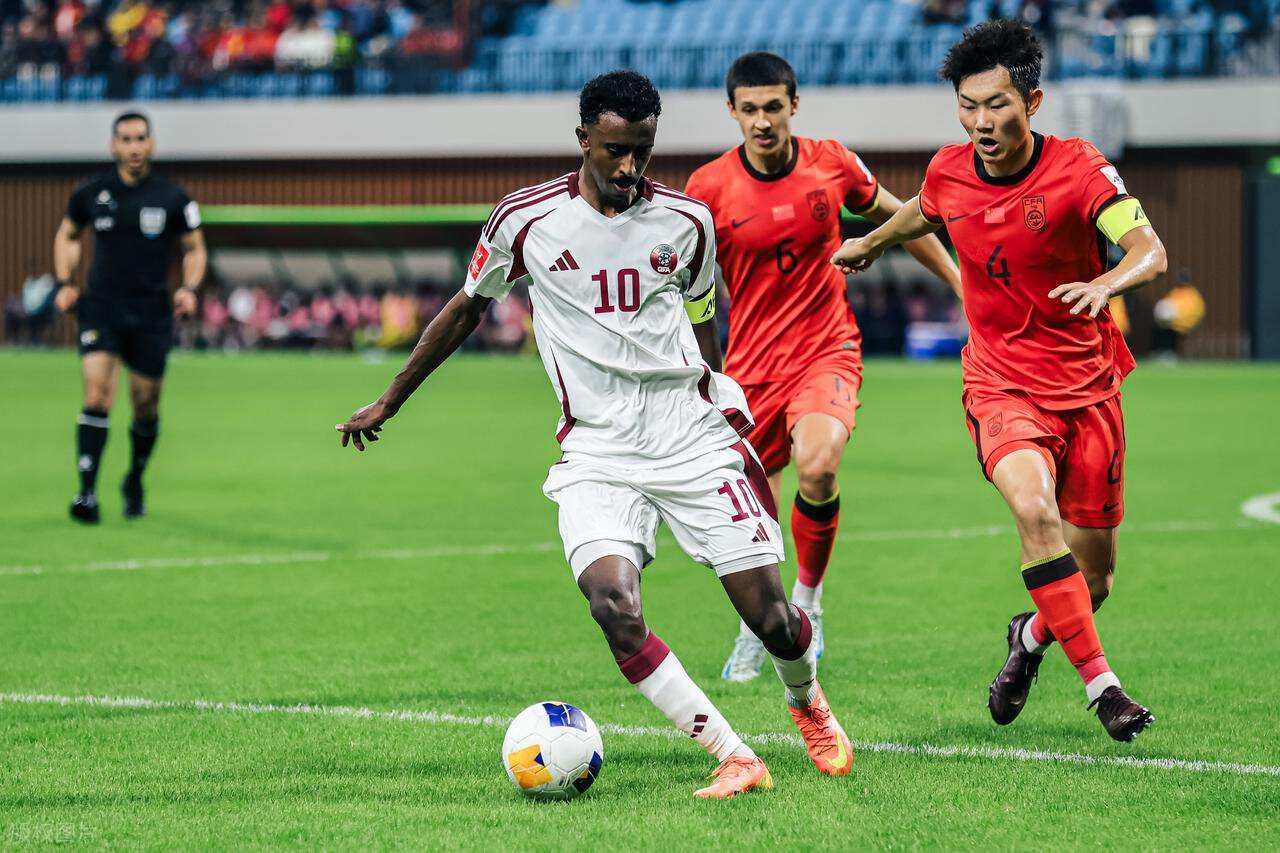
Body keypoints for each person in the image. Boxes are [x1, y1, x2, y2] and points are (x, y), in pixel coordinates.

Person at [337, 71, 853, 798]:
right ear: (583, 139)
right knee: (614, 605)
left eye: (642, 150)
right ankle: (734, 755)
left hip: (690, 439)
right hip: (597, 452)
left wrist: (715, 398)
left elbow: (705, 319)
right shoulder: (525, 220)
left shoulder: (687, 222)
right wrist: (390, 400)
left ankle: (806, 700)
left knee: (774, 621)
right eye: (615, 149)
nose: (629, 166)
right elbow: (467, 307)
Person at [832, 21, 1167, 742]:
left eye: (996, 104)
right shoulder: (949, 170)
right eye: (968, 105)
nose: (981, 121)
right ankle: (1105, 688)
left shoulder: (1080, 168)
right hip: (1001, 385)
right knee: (1033, 507)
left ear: (1032, 102)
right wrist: (873, 241)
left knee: (1094, 580)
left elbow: (1150, 249)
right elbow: (925, 210)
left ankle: (1031, 638)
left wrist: (1107, 282)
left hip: (1089, 389)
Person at [684, 52, 961, 681]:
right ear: (732, 111)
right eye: (749, 110)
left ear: (794, 105)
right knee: (749, 516)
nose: (762, 121)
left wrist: (959, 283)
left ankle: (808, 602)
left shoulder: (832, 163)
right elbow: (676, 278)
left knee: (818, 465)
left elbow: (904, 218)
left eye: (772, 107)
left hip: (825, 348)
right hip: (748, 367)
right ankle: (761, 623)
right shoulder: (707, 188)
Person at [53, 111, 206, 523]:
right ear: (113, 145)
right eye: (126, 139)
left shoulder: (173, 198)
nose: (134, 147)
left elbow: (194, 249)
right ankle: (86, 493)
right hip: (101, 308)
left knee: (145, 406)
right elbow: (68, 235)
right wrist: (64, 281)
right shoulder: (91, 193)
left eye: (140, 138)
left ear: (151, 144)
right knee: (97, 395)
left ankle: (135, 478)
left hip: (151, 314)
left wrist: (189, 289)